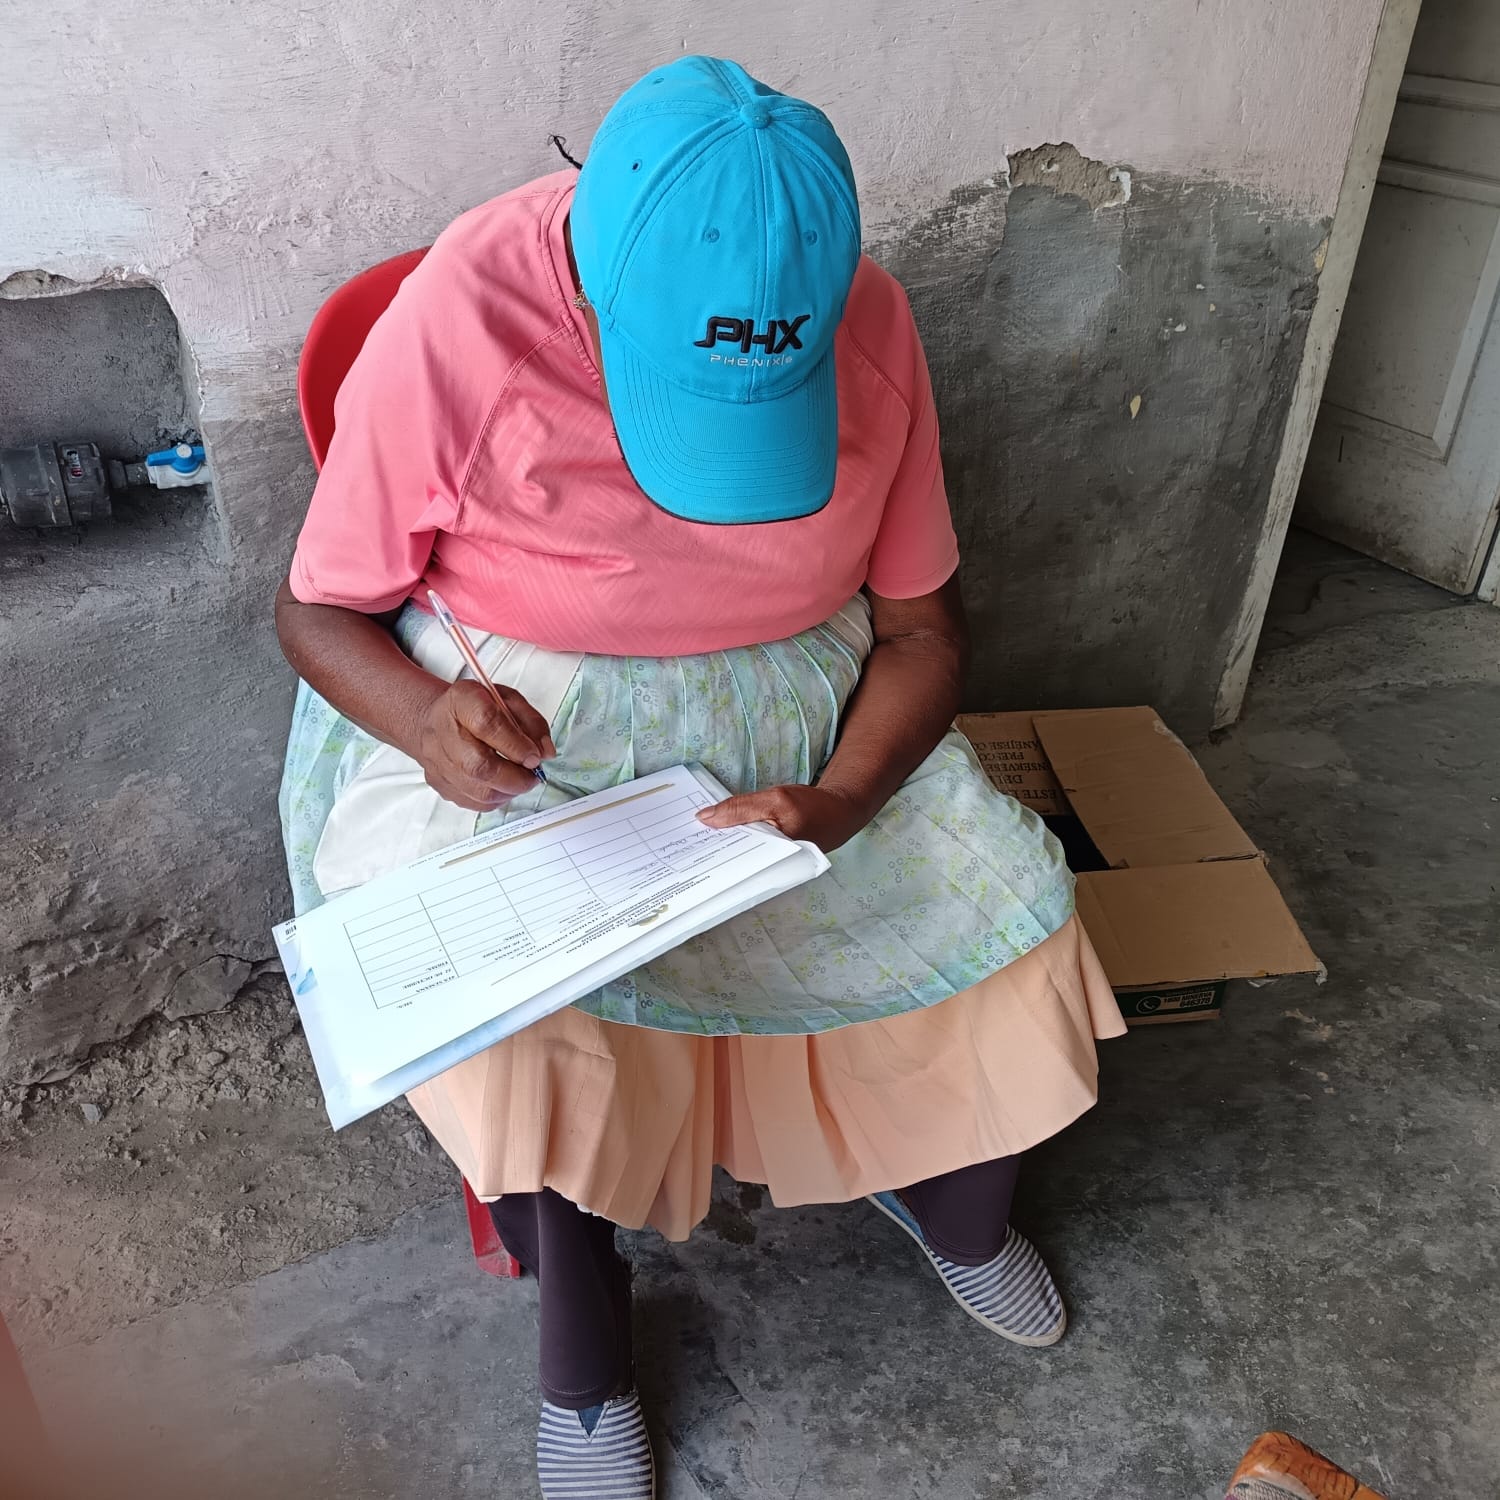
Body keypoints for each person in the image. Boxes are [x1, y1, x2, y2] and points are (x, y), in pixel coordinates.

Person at [275, 55, 1125, 1500]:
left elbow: (924, 631)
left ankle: (948, 1199)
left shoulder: (868, 320)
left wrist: (845, 804)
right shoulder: (467, 315)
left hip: (812, 720)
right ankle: (585, 1353)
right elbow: (316, 611)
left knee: (1014, 912)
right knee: (522, 1013)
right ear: (595, 287)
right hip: (524, 738)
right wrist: (425, 724)